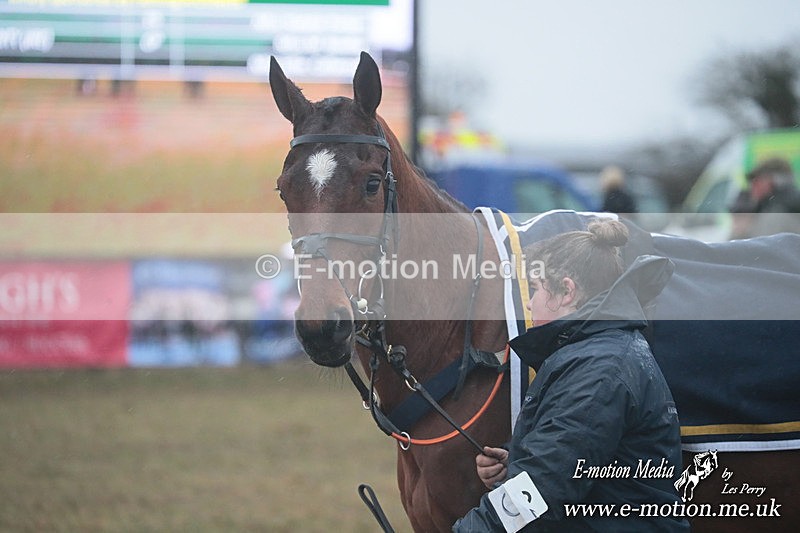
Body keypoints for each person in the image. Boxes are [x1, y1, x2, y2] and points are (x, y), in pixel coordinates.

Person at [453, 219, 688, 532]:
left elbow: (545, 485)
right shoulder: (598, 354)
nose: (529, 303)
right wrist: (516, 460)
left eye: (535, 288)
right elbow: (579, 457)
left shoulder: (599, 370)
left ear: (566, 291)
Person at [729, 157, 800, 239]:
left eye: (757, 180)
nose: (753, 186)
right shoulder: (761, 209)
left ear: (775, 181)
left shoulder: (778, 213)